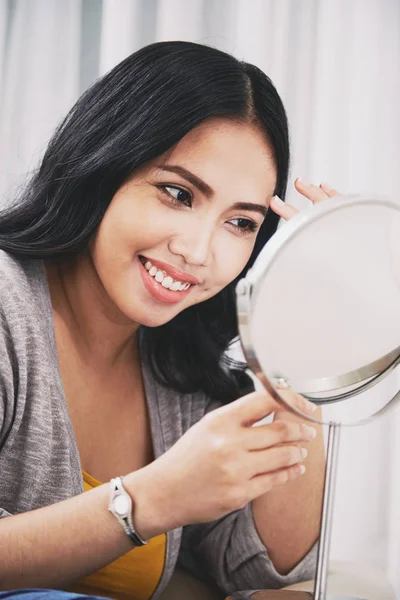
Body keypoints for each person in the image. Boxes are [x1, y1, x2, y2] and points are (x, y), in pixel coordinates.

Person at [0, 41, 335, 600]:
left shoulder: (180, 367)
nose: (200, 251)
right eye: (178, 193)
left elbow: (262, 574)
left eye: (241, 223)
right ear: (101, 164)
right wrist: (147, 501)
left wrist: (307, 349)